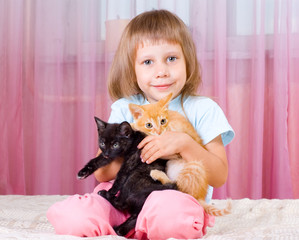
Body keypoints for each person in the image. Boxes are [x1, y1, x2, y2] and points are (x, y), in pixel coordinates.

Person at [47, 9, 234, 239]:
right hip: (124, 202)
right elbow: (103, 173)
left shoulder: (203, 109)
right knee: (74, 217)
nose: (161, 71)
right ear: (132, 69)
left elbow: (218, 175)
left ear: (188, 60)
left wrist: (184, 144)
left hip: (170, 201)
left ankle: (150, 223)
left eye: (172, 58)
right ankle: (129, 223)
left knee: (172, 216)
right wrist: (136, 147)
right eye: (147, 62)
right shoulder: (126, 109)